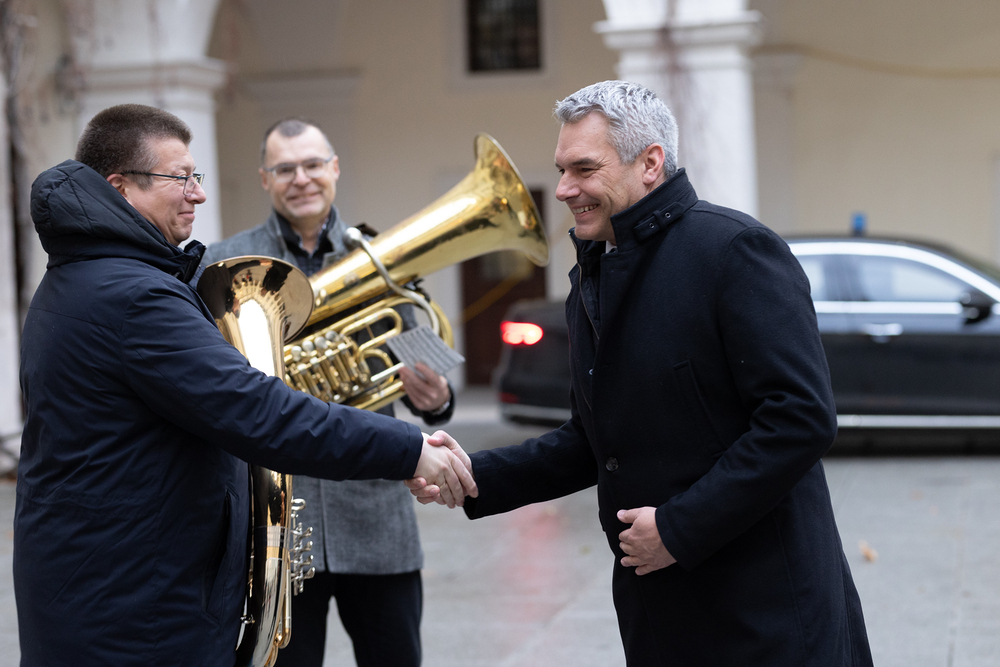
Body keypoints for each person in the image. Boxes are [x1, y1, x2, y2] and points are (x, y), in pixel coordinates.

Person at [410, 80, 874, 666]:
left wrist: (679, 528)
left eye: (584, 169)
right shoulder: (592, 275)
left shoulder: (737, 249)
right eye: (562, 170)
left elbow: (800, 419)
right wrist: (472, 474)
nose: (564, 189)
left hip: (767, 611)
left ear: (650, 163)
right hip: (658, 611)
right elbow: (592, 441)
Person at [15, 104, 475, 667]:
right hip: (137, 606)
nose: (198, 193)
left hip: (126, 584)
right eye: (180, 177)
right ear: (121, 188)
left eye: (196, 176)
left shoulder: (84, 276)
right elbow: (257, 410)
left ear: (334, 168)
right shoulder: (144, 292)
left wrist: (433, 404)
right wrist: (408, 450)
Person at [202, 118, 454, 667]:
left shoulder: (383, 254)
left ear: (334, 168)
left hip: (376, 512)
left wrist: (434, 398)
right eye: (285, 169)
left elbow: (421, 356)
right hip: (274, 519)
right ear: (265, 179)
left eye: (313, 164)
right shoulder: (227, 262)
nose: (301, 179)